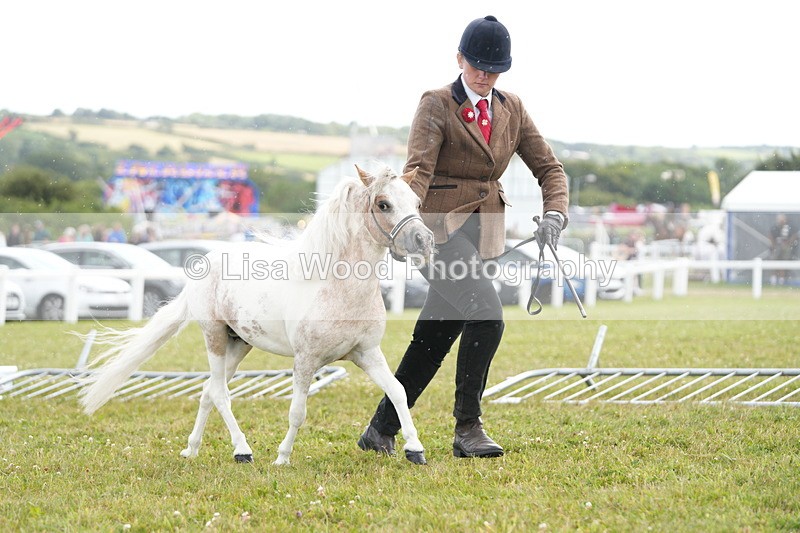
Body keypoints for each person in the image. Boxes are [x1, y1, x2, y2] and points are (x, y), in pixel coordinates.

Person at [358, 15, 569, 459]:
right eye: (476, 65)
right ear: (460, 59)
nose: (484, 74)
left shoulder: (512, 108)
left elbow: (549, 168)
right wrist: (403, 228)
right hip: (438, 235)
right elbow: (418, 172)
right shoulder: (435, 104)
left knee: (434, 336)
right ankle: (468, 428)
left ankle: (381, 429)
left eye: (493, 68)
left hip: (486, 235)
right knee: (488, 316)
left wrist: (555, 214)